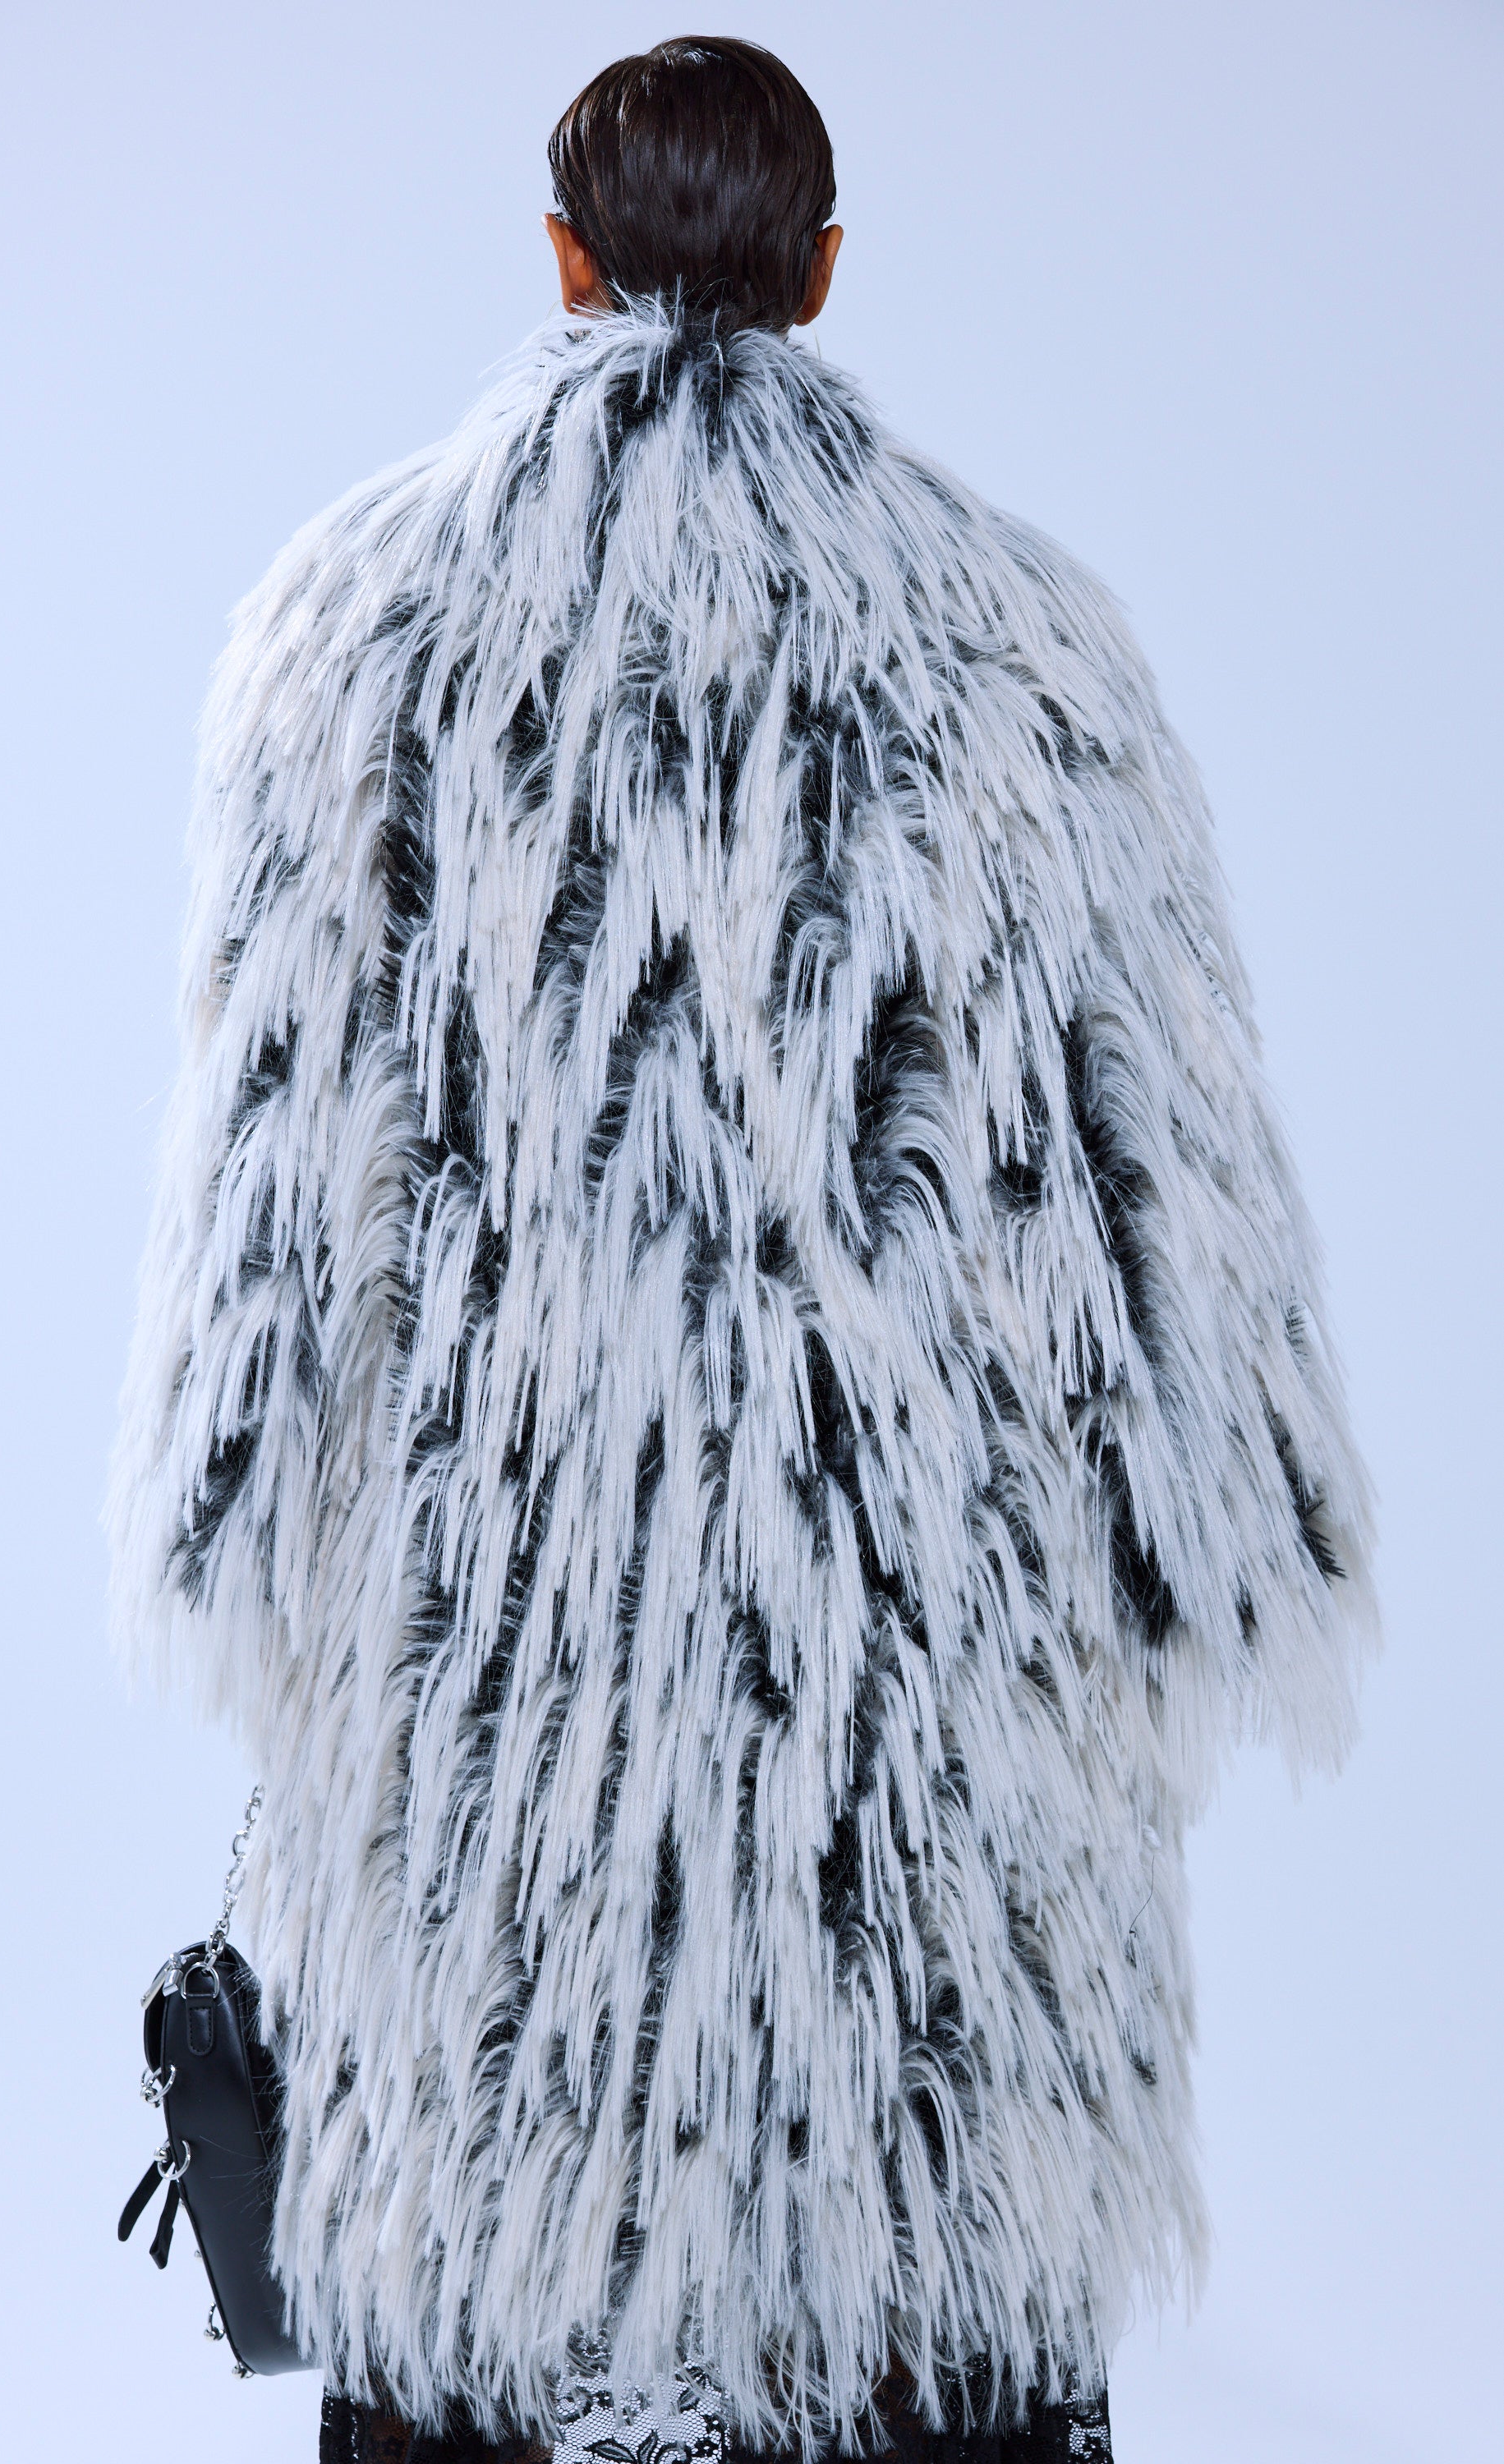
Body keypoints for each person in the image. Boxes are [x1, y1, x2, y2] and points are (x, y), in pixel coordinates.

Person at [108, 36, 1378, 2464]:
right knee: (927, 2292)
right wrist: (1195, 1565)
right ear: (818, 276)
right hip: (919, 1749)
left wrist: (269, 1574)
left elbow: (258, 1276)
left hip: (500, 1735)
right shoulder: (1031, 655)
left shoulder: (351, 636)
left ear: (561, 264)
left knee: (490, 2292)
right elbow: (1187, 1233)